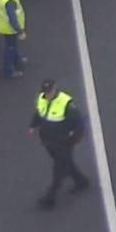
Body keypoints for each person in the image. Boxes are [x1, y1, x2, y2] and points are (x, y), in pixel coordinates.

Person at [29, 79, 91, 208]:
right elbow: (39, 113)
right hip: (48, 140)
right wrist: (33, 126)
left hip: (63, 142)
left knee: (58, 169)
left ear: (55, 89)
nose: (47, 95)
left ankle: (49, 198)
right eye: (45, 92)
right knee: (66, 163)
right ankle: (81, 181)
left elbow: (78, 124)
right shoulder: (42, 98)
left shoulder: (66, 103)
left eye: (49, 92)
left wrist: (74, 140)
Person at [0, 0, 28, 78]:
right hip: (9, 28)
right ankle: (10, 70)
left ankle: (17, 59)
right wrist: (19, 30)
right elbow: (12, 18)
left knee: (12, 46)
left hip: (3, 24)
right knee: (10, 48)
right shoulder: (10, 0)